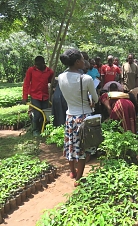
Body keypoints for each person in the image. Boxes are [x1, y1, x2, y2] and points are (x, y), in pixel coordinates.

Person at [58, 49, 98, 187]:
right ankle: (79, 178)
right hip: (83, 117)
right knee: (83, 148)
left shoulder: (61, 77)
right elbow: (96, 99)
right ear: (77, 62)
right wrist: (91, 100)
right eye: (82, 59)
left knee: (70, 145)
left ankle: (72, 172)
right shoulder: (86, 79)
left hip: (70, 116)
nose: (84, 61)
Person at [22, 56, 54, 136]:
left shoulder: (49, 72)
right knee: (37, 114)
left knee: (44, 114)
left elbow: (50, 80)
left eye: (38, 65)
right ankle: (35, 130)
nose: (36, 66)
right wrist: (24, 97)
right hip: (35, 95)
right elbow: (26, 83)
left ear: (43, 64)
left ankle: (42, 129)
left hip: (45, 96)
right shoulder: (31, 70)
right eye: (36, 65)